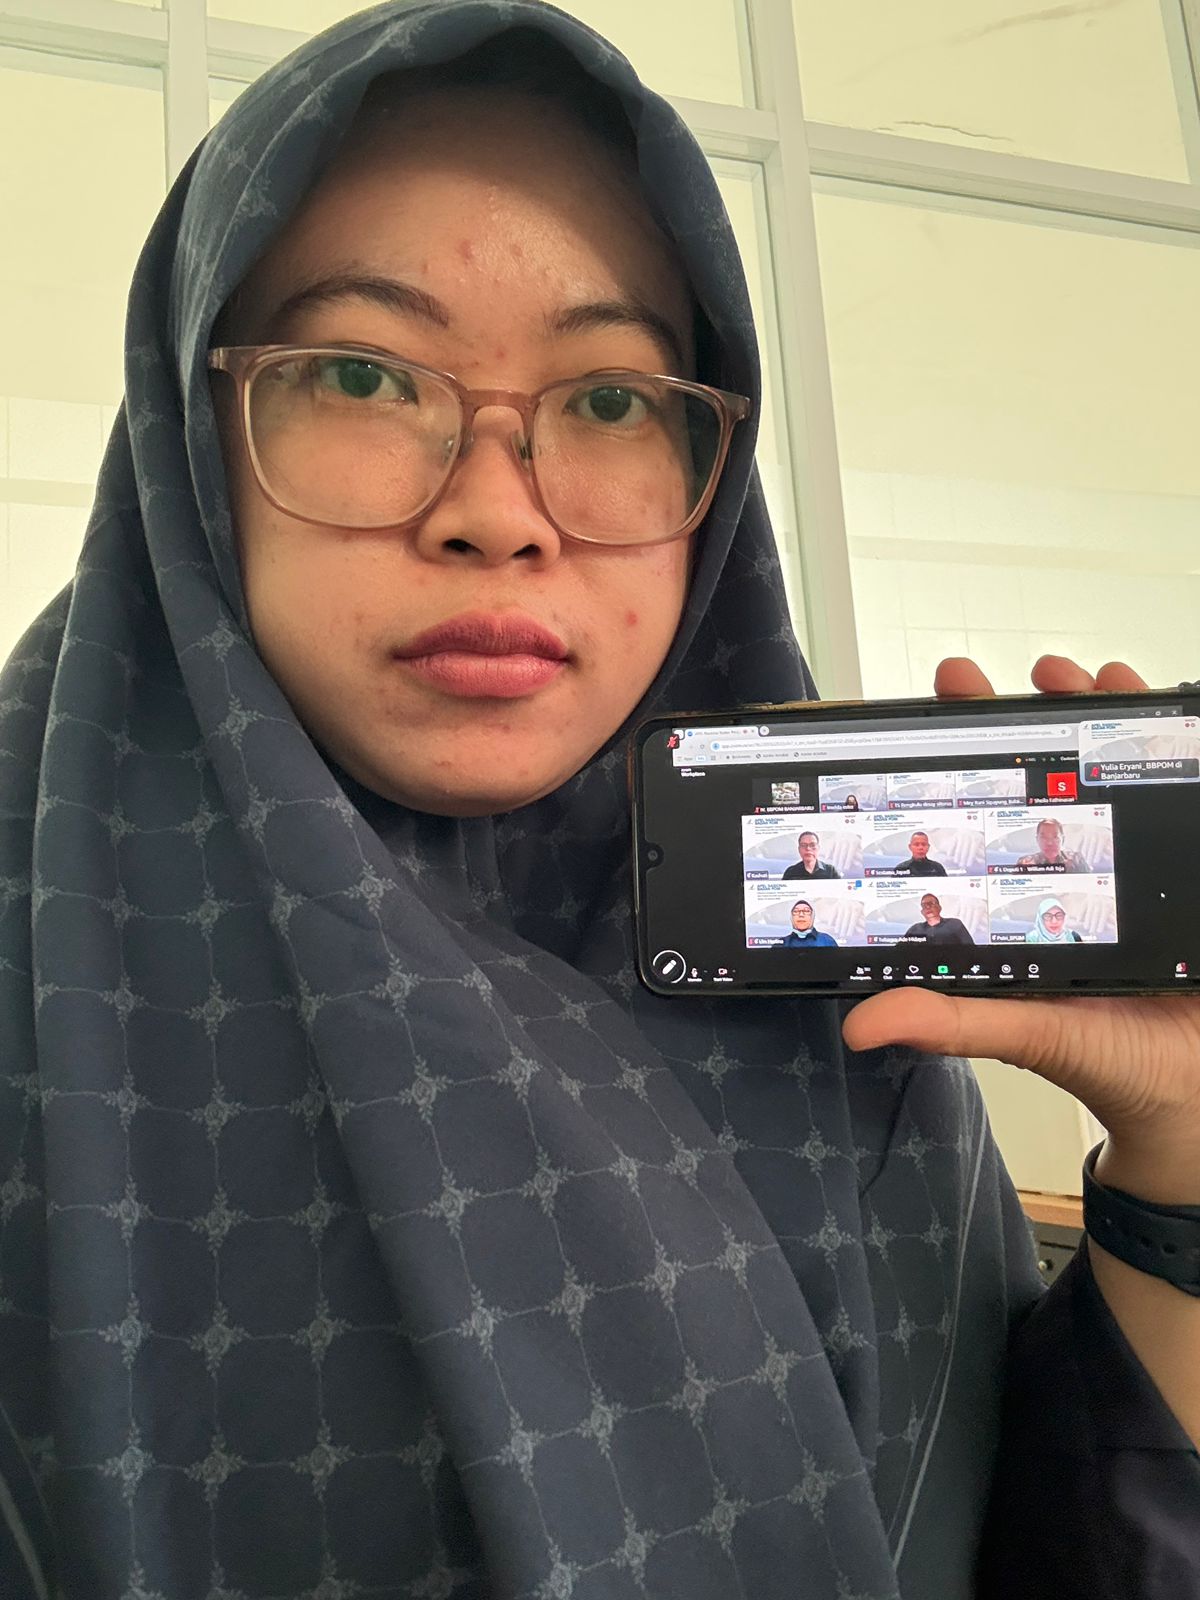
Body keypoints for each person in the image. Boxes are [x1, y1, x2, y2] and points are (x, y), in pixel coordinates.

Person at [1, 7, 1197, 1600]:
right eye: (362, 373)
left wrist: (1178, 1160)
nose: (497, 514)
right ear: (190, 437)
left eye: (616, 399)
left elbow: (1028, 1540)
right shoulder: (39, 955)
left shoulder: (813, 969)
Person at [1016, 816, 1091, 872]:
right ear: (1037, 840)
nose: (1049, 842)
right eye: (1043, 837)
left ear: (1063, 839)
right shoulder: (1025, 862)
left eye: (1055, 837)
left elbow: (1090, 883)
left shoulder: (1076, 859)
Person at [902, 892, 976, 945]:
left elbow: (970, 947)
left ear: (939, 907)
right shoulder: (915, 929)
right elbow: (900, 950)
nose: (928, 907)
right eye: (924, 905)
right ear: (922, 912)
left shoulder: (955, 924)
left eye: (931, 904)